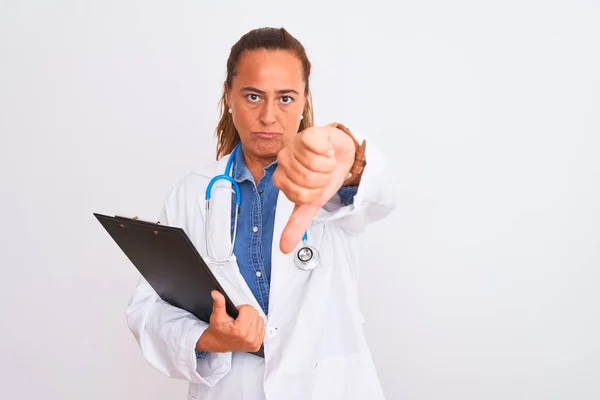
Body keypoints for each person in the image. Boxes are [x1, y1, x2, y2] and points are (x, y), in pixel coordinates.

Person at [126, 27, 396, 400]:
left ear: (304, 100)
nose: (269, 116)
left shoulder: (326, 182)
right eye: (253, 96)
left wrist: (352, 163)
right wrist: (206, 337)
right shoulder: (191, 192)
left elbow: (378, 198)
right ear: (229, 96)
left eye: (285, 98)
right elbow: (147, 309)